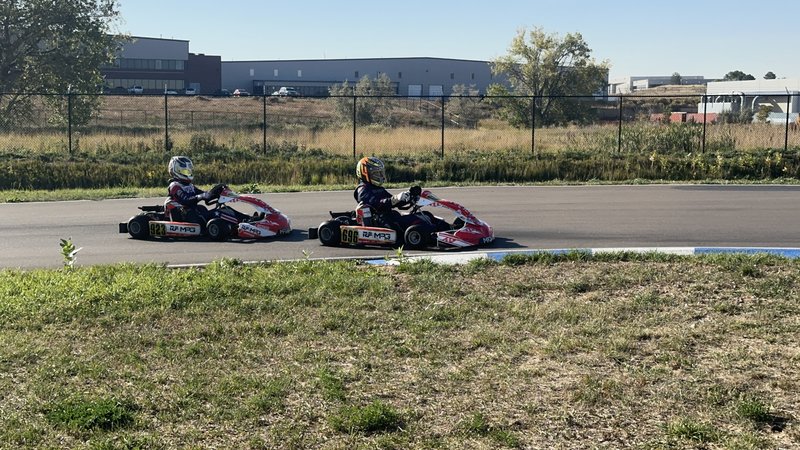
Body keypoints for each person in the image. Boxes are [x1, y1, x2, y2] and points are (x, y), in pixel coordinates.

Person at [354, 156, 418, 229]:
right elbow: (377, 204)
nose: (380, 176)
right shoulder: (362, 190)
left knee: (424, 216)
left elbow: (391, 202)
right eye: (377, 173)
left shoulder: (378, 188)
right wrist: (394, 199)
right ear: (365, 173)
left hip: (389, 216)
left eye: (381, 173)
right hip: (378, 221)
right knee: (399, 227)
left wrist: (407, 198)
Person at [165, 156, 215, 224]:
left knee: (202, 209)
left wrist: (213, 193)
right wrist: (200, 196)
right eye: (185, 172)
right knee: (194, 214)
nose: (188, 174)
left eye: (189, 172)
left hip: (190, 211)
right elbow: (185, 200)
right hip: (180, 214)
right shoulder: (175, 186)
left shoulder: (190, 186)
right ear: (176, 171)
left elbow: (201, 193)